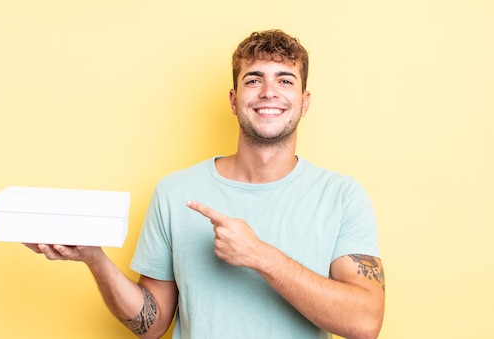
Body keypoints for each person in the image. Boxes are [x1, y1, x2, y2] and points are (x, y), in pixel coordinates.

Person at [25, 29, 385, 339]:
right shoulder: (175, 192)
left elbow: (365, 322)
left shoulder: (341, 196)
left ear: (304, 103)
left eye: (285, 80)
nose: (269, 91)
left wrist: (260, 256)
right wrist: (95, 259)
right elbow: (152, 324)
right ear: (233, 100)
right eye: (254, 79)